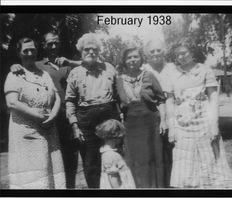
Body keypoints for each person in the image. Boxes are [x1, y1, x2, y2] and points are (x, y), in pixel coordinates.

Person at [9, 32, 81, 189]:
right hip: (47, 122)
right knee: (49, 163)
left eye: (56, 43)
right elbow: (22, 70)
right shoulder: (38, 66)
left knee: (70, 162)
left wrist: (70, 61)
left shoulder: (68, 65)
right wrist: (14, 65)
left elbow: (91, 64)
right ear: (43, 46)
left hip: (69, 119)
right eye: (49, 44)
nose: (53, 46)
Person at [165, 44, 232, 188]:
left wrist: (214, 125)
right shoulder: (171, 73)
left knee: (209, 162)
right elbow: (169, 100)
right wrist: (172, 128)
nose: (180, 57)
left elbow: (213, 97)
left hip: (204, 121)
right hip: (182, 125)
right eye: (177, 55)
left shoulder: (204, 70)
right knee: (186, 167)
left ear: (192, 51)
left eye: (184, 52)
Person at [65, 33, 119, 188]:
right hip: (86, 120)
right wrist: (75, 126)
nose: (91, 52)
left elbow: (118, 93)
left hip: (109, 117)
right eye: (87, 49)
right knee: (90, 163)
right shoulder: (75, 73)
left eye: (94, 49)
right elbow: (69, 101)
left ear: (98, 51)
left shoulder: (109, 68)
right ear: (81, 52)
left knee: (113, 157)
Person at [116, 45, 167, 188]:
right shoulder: (119, 80)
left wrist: (163, 121)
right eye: (129, 57)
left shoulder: (149, 76)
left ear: (141, 59)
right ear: (124, 60)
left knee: (153, 158)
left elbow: (161, 99)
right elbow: (117, 103)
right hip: (131, 127)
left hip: (151, 124)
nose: (132, 60)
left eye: (135, 56)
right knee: (136, 160)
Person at [143, 38, 175, 187]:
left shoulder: (173, 68)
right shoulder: (143, 70)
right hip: (153, 116)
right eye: (152, 51)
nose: (155, 54)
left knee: (174, 152)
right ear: (147, 54)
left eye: (158, 50)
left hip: (175, 114)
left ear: (164, 51)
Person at [95, 119, 136, 189]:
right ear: (115, 137)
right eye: (120, 137)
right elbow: (113, 179)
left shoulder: (109, 152)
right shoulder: (110, 155)